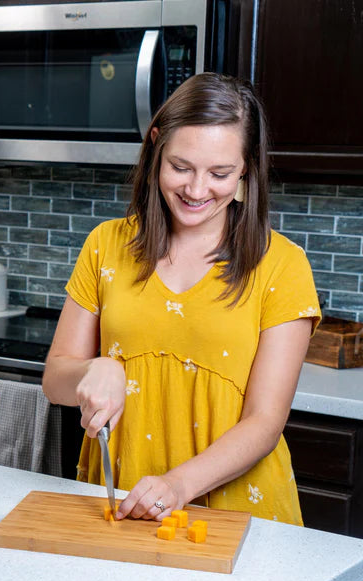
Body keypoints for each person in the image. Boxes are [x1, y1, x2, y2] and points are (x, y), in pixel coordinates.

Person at [42, 73, 321, 525]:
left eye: (219, 173)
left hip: (237, 516)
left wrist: (177, 485)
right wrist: (96, 367)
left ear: (247, 166)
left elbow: (265, 423)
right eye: (181, 166)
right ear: (156, 146)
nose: (196, 190)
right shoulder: (106, 245)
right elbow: (55, 379)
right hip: (121, 501)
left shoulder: (282, 265)